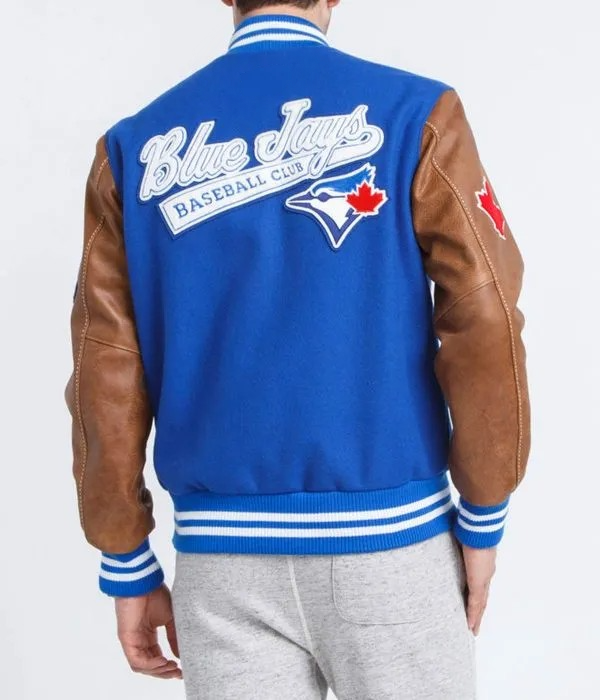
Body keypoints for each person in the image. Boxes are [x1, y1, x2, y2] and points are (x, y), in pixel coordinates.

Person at [64, 0, 531, 697]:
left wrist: (125, 557)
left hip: (221, 566)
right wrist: (484, 513)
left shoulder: (132, 148)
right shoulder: (416, 114)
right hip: (393, 548)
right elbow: (484, 316)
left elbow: (105, 360)